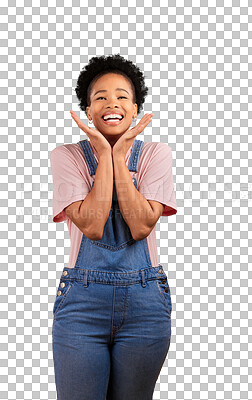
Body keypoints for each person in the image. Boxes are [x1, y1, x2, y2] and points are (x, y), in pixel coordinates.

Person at [50, 54, 177, 400]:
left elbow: (140, 226)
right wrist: (105, 155)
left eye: (122, 96)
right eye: (100, 97)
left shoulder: (155, 155)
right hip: (81, 304)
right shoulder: (67, 157)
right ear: (88, 111)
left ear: (135, 109)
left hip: (145, 302)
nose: (112, 103)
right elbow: (91, 225)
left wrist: (118, 156)